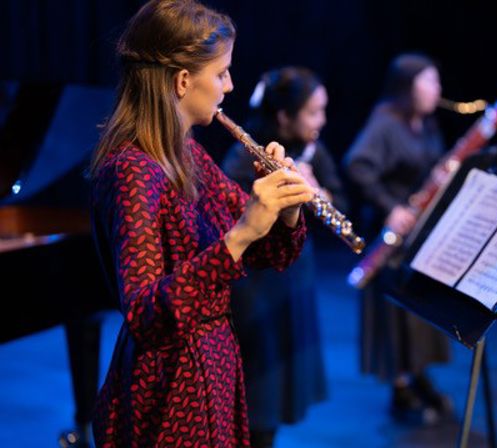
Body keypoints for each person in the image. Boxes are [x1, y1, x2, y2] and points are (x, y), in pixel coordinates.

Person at [87, 1, 315, 446]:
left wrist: (286, 210)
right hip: (169, 390)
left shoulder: (187, 154)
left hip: (210, 364)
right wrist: (242, 232)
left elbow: (267, 252)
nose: (229, 86)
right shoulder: (132, 170)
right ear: (183, 81)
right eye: (221, 73)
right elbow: (145, 313)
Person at [221, 66, 346, 447]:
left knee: (282, 381)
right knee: (261, 389)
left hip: (294, 276)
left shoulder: (312, 150)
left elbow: (339, 200)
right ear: (283, 117)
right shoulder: (245, 158)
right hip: (258, 287)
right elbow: (234, 223)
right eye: (313, 112)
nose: (320, 122)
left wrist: (318, 190)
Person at [344, 53, 453, 425]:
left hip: (420, 234)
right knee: (397, 314)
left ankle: (420, 374)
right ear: (409, 87)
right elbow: (357, 165)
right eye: (430, 82)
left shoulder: (426, 122)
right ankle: (401, 386)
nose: (437, 89)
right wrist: (390, 206)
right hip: (390, 236)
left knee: (420, 312)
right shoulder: (385, 121)